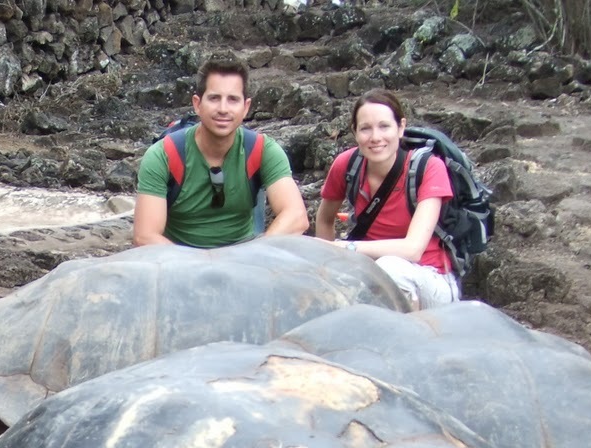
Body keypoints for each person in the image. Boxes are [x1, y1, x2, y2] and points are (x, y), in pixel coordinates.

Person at [134, 55, 309, 248]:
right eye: (214, 98)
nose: (223, 109)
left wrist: (254, 255)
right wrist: (200, 265)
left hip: (244, 256)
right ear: (197, 104)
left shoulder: (262, 150)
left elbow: (296, 216)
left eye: (233, 99)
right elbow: (146, 236)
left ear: (246, 107)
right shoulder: (164, 155)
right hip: (180, 262)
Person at [317, 89, 461, 309]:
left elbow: (413, 248)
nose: (375, 137)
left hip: (428, 276)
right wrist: (327, 267)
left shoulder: (428, 168)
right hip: (368, 274)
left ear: (400, 127)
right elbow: (325, 219)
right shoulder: (347, 165)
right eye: (365, 128)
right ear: (355, 132)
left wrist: (345, 248)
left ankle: (408, 338)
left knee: (390, 269)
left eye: (384, 126)